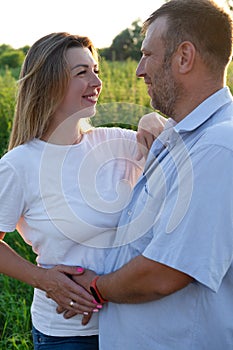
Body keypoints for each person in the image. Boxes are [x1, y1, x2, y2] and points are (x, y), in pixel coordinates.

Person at [70, 1, 233, 349]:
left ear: (184, 57)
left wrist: (96, 287)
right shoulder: (181, 135)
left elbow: (165, 273)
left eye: (147, 54)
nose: (139, 70)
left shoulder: (218, 148)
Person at [0, 32, 166, 349]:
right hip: (66, 335)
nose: (96, 82)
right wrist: (44, 279)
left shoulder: (117, 143)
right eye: (82, 73)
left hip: (132, 326)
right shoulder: (18, 165)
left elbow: (185, 151)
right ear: (50, 83)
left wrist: (153, 118)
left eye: (96, 71)